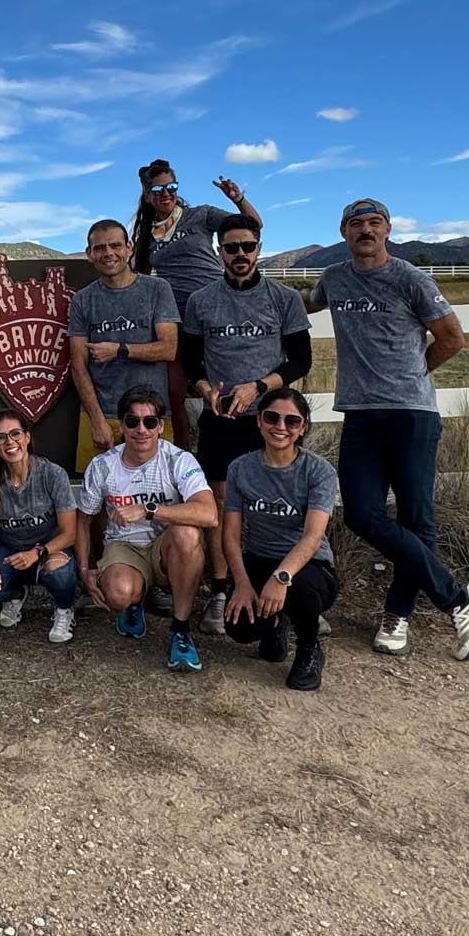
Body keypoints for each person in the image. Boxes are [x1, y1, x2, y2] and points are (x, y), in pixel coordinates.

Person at [309, 198, 469, 660]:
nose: (365, 230)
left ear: (388, 230)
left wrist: (413, 374)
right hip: (360, 414)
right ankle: (458, 598)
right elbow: (301, 304)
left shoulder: (410, 278)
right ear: (344, 233)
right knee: (360, 514)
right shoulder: (334, 278)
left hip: (412, 414)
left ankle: (398, 615)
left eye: (374, 223)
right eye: (356, 224)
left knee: (415, 517)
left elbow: (452, 337)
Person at [182, 211, 312, 627]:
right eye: (231, 247)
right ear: (219, 251)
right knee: (221, 505)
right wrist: (206, 390)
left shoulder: (284, 298)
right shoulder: (201, 301)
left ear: (259, 248)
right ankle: (222, 591)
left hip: (274, 420)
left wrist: (258, 387)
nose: (240, 254)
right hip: (221, 418)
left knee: (285, 503)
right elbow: (189, 362)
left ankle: (292, 590)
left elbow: (301, 360)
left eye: (248, 246)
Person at [74, 386, 219, 672]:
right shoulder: (103, 465)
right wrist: (84, 569)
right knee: (118, 593)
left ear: (160, 426)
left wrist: (149, 509)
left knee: (188, 534)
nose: (141, 429)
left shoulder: (178, 460)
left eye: (150, 422)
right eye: (132, 421)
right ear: (121, 426)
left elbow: (209, 514)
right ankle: (135, 599)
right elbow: (83, 519)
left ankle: (180, 629)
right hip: (125, 546)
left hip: (166, 545)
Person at [220, 390, 338, 691]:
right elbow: (230, 535)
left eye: (292, 421)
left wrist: (281, 578)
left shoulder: (319, 471)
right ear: (259, 421)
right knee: (240, 627)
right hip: (259, 559)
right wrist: (242, 583)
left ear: (303, 427)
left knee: (301, 589)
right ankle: (275, 623)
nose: (280, 427)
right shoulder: (240, 468)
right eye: (272, 417)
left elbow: (313, 536)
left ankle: (309, 648)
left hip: (309, 566)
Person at [129, 160, 254, 444]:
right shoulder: (146, 234)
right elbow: (140, 278)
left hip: (216, 309)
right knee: (174, 391)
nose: (166, 193)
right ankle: (182, 453)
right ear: (147, 196)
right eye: (158, 189)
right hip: (175, 319)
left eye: (171, 186)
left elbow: (251, 226)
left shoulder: (200, 215)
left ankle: (235, 443)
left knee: (225, 381)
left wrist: (237, 198)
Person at [68, 218, 180, 476]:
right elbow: (78, 365)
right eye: (100, 248)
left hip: (151, 417)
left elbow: (168, 348)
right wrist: (96, 419)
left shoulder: (157, 289)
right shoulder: (83, 300)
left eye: (116, 245)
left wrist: (119, 350)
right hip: (102, 415)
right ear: (90, 254)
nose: (109, 253)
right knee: (95, 493)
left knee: (158, 489)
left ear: (129, 248)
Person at [0, 409, 80, 643]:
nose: (9, 442)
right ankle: (16, 593)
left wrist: (37, 552)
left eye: (15, 434)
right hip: (11, 550)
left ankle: (64, 609)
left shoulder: (52, 474)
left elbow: (70, 533)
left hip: (48, 548)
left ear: (27, 437)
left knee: (61, 574)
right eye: (1, 437)